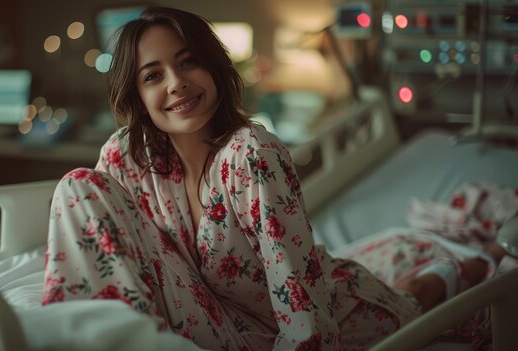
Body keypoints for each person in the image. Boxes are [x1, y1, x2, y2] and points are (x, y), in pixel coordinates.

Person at [42, 6, 509, 350]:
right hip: (220, 321)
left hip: (330, 316)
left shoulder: (250, 156)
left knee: (414, 296)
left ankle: (480, 259)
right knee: (75, 185)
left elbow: (304, 313)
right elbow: (103, 240)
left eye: (187, 62)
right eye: (153, 75)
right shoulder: (128, 157)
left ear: (215, 68)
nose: (175, 83)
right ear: (137, 95)